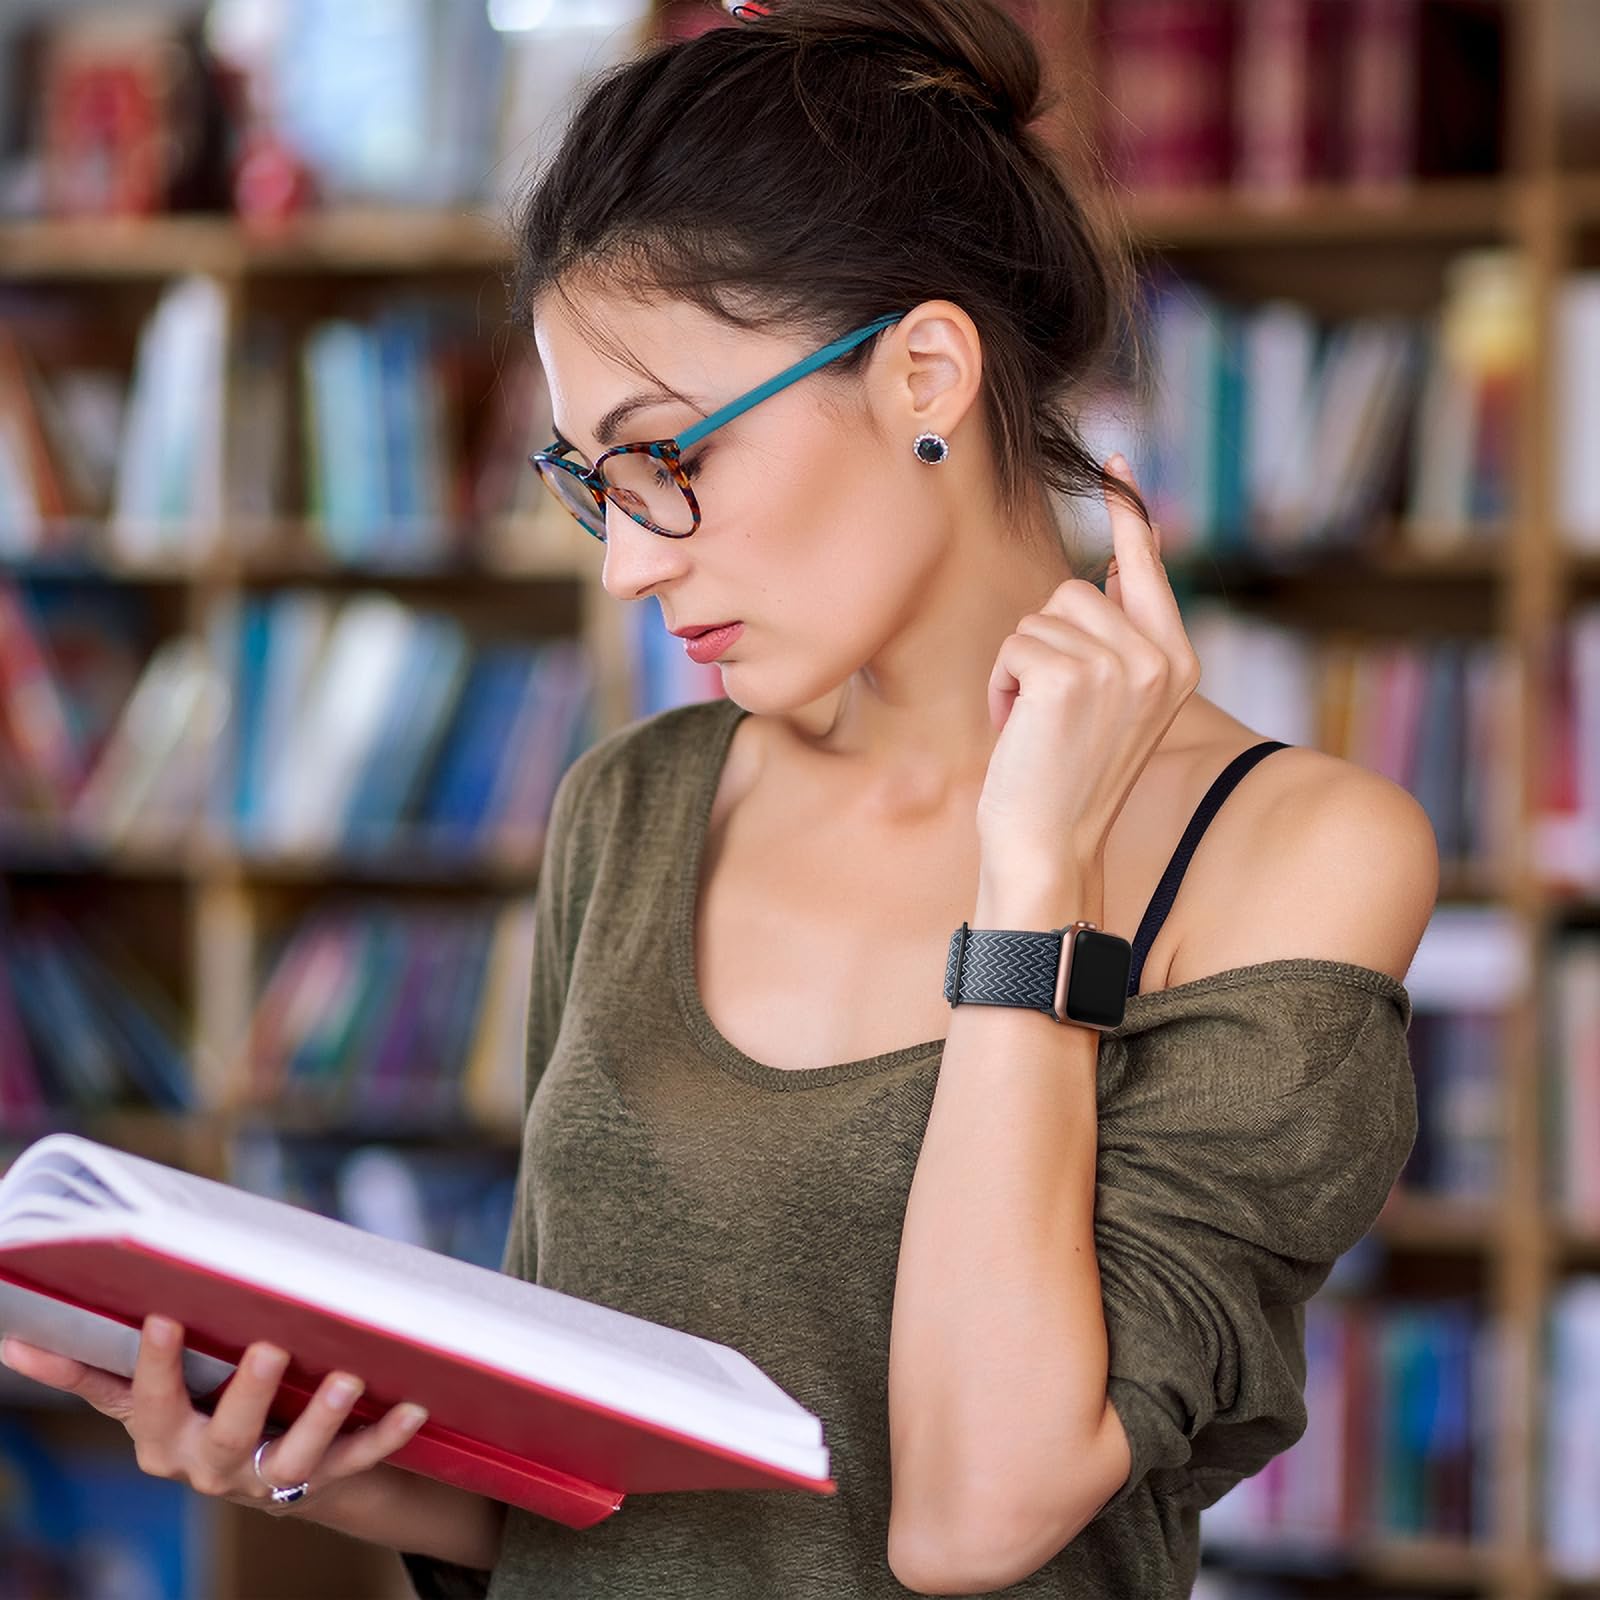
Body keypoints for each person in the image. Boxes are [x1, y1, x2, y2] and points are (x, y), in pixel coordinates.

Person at [0, 1, 1439, 1595]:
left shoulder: (1295, 850)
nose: (628, 562)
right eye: (590, 484)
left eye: (666, 454)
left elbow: (978, 1517)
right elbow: (574, 1494)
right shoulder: (635, 805)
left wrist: (1037, 871)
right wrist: (296, 1455)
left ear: (925, 375)